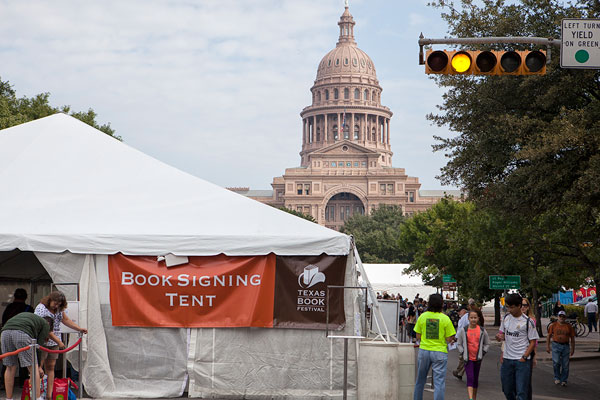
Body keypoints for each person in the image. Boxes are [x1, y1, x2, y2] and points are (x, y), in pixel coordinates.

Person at [34, 291, 87, 400]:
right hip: (42, 341)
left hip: (54, 342)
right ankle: (37, 395)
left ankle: (49, 395)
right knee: (38, 368)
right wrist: (59, 342)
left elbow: (66, 320)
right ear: (50, 300)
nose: (56, 305)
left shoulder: (59, 309)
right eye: (55, 303)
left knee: (51, 367)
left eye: (59, 304)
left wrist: (78, 328)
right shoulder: (41, 309)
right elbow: (46, 329)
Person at [1, 312, 63, 400]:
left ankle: (9, 398)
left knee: (10, 367)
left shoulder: (31, 318)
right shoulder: (45, 324)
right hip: (21, 334)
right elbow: (38, 346)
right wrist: (39, 367)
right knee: (33, 368)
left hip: (5, 333)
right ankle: (37, 398)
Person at [413, 294, 456, 400]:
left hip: (424, 350)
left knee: (420, 381)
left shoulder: (423, 316)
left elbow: (418, 336)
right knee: (439, 383)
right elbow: (449, 338)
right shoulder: (445, 318)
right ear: (442, 304)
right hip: (439, 351)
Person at [496, 293, 538, 400]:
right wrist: (500, 337)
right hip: (507, 359)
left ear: (519, 306)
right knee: (507, 389)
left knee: (521, 392)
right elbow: (504, 335)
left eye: (512, 307)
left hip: (521, 361)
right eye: (508, 307)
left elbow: (533, 341)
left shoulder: (528, 321)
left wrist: (525, 357)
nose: (509, 309)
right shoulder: (506, 318)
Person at [456, 310, 490, 400]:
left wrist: (483, 352)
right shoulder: (464, 330)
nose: (473, 319)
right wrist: (463, 352)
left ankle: (474, 397)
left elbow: (487, 343)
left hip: (478, 358)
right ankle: (470, 398)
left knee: (475, 379)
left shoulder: (482, 331)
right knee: (470, 378)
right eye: (471, 318)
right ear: (468, 319)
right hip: (468, 359)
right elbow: (459, 343)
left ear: (478, 318)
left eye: (475, 317)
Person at [546, 310, 575, 386]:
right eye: (560, 316)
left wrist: (572, 349)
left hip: (565, 346)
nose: (561, 318)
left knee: (565, 364)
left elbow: (572, 338)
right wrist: (548, 346)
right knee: (556, 362)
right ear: (558, 317)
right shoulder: (553, 325)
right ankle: (557, 377)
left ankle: (564, 380)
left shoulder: (569, 326)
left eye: (563, 316)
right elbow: (548, 336)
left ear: (565, 318)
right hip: (556, 345)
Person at [452, 305, 469, 380]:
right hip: (465, 339)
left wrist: (455, 338)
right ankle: (460, 372)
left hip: (466, 340)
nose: (458, 312)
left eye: (460, 311)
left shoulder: (465, 317)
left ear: (464, 310)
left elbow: (461, 330)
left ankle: (459, 371)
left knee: (463, 357)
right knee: (465, 357)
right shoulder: (465, 317)